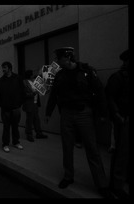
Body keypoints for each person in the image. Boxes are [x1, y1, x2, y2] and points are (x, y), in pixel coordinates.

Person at [45, 47, 114, 198]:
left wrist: (103, 114)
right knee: (67, 147)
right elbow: (54, 95)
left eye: (59, 58)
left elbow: (100, 91)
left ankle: (101, 184)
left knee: (92, 148)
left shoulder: (86, 71)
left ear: (68, 58)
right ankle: (68, 177)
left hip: (84, 113)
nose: (56, 61)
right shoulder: (60, 75)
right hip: (67, 115)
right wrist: (48, 112)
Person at [105, 49, 129, 199]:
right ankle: (116, 185)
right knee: (121, 152)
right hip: (124, 118)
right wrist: (117, 115)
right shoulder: (118, 77)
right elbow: (109, 97)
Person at [0, 61, 25, 153]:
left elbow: (22, 91)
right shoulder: (0, 81)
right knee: (6, 127)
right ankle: (5, 144)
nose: (3, 69)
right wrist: (0, 104)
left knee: (15, 126)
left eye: (5, 67)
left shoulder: (17, 78)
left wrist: (20, 103)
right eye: (2, 68)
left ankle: (16, 142)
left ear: (10, 68)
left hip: (16, 107)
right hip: (5, 108)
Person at [22, 70, 48, 142]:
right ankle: (29, 134)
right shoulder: (24, 82)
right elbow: (24, 94)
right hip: (29, 103)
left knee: (36, 119)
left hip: (35, 102)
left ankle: (39, 133)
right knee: (29, 120)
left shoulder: (34, 81)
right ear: (29, 75)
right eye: (32, 74)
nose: (34, 75)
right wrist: (34, 93)